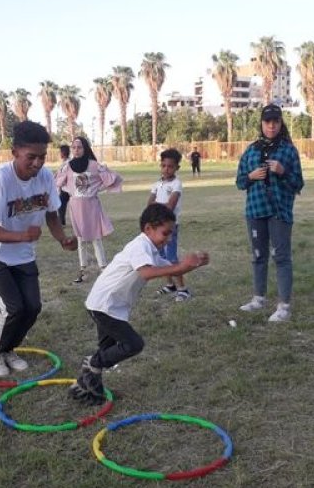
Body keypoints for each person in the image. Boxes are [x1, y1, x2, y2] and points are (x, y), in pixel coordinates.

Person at [69, 203, 210, 404]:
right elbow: (146, 272)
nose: (169, 239)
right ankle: (92, 363)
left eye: (171, 234)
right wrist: (183, 265)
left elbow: (173, 269)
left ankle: (85, 389)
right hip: (104, 305)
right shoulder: (140, 246)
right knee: (133, 344)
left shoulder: (151, 250)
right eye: (165, 233)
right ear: (148, 229)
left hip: (110, 306)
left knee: (106, 349)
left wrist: (194, 264)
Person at [0, 121, 77, 378]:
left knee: (33, 306)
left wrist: (62, 238)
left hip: (22, 252)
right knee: (13, 307)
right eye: (31, 157)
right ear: (15, 152)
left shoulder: (45, 177)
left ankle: (9, 349)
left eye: (42, 157)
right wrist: (24, 235)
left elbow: (52, 214)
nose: (38, 163)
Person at [236, 103, 304, 322]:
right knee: (258, 256)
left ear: (281, 123)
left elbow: (298, 183)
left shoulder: (288, 150)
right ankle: (259, 298)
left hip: (279, 211)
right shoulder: (251, 150)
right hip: (255, 210)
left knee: (281, 257)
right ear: (262, 124)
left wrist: (283, 172)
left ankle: (284, 305)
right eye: (267, 122)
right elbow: (239, 182)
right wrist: (251, 176)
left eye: (276, 121)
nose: (271, 126)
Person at [54, 136, 122, 283]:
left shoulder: (94, 165)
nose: (76, 150)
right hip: (76, 207)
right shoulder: (67, 166)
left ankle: (103, 269)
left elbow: (110, 178)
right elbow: (58, 181)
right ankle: (83, 271)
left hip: (92, 207)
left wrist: (98, 189)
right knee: (80, 240)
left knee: (96, 238)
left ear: (85, 149)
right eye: (74, 147)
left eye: (79, 147)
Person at [147, 148, 191, 301]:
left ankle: (183, 289)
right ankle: (170, 285)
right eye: (163, 165)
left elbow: (170, 206)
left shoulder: (176, 184)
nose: (166, 169)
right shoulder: (157, 183)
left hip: (169, 227)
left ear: (177, 168)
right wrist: (157, 207)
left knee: (171, 258)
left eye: (170, 166)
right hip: (157, 226)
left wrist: (156, 207)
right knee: (161, 257)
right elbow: (149, 204)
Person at [55, 144, 71, 226]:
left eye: (60, 152)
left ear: (63, 153)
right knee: (61, 205)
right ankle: (62, 222)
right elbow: (59, 174)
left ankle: (61, 222)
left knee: (61, 205)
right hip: (63, 188)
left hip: (67, 189)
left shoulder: (68, 163)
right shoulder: (64, 163)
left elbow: (64, 176)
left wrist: (58, 183)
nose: (59, 154)